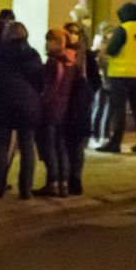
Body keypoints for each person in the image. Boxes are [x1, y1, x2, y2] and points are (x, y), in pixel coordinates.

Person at [0, 21, 43, 201]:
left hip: (4, 101)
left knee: (1, 145)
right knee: (27, 147)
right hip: (28, 103)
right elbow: (40, 78)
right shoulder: (32, 54)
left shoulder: (0, 53)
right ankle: (25, 189)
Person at [96, 3, 136, 153]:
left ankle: (115, 142)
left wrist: (105, 49)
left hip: (121, 75)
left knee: (118, 109)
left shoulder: (123, 29)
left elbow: (112, 50)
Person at [35, 28, 79, 198]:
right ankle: (64, 183)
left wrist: (40, 103)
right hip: (64, 109)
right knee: (60, 147)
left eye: (50, 40)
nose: (47, 43)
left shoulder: (55, 61)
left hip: (51, 109)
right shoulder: (71, 60)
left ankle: (52, 182)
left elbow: (50, 87)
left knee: (49, 147)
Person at [62, 21, 100, 195]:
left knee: (77, 145)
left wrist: (86, 94)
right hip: (65, 104)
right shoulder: (61, 55)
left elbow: (96, 81)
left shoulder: (88, 58)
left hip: (81, 106)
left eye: (76, 32)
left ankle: (75, 179)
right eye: (70, 32)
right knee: (65, 143)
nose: (73, 35)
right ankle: (65, 178)